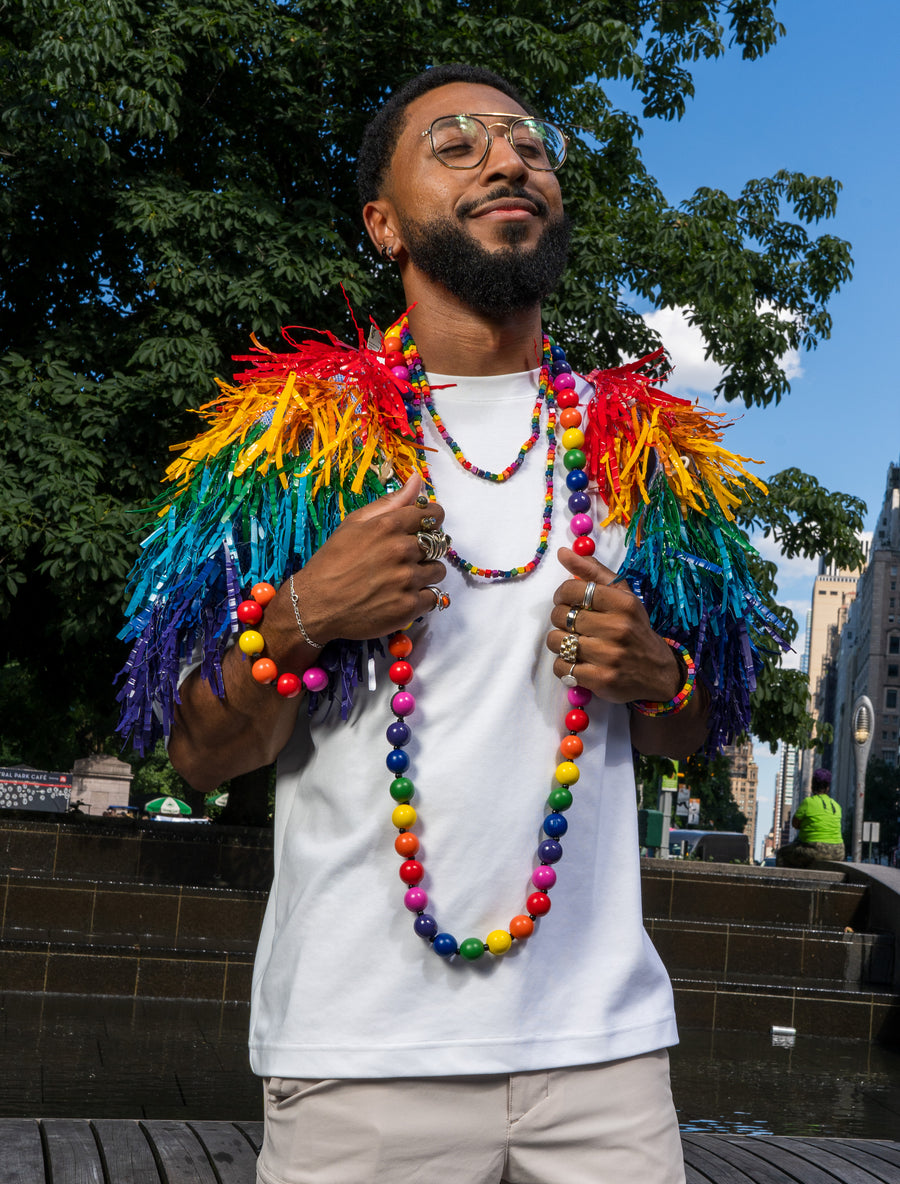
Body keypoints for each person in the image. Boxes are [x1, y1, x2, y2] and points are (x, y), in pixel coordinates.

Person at [118, 63, 783, 1184]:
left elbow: (696, 728)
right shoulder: (294, 442)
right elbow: (195, 749)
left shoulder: (651, 454)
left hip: (603, 1059)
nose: (507, 159)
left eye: (527, 142)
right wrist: (303, 614)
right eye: (458, 144)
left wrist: (660, 672)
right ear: (384, 223)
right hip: (359, 1056)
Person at [776, 769, 845, 868]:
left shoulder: (808, 802)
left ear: (812, 786)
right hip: (838, 852)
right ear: (828, 788)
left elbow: (795, 824)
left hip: (815, 850)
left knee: (782, 854)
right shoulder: (837, 806)